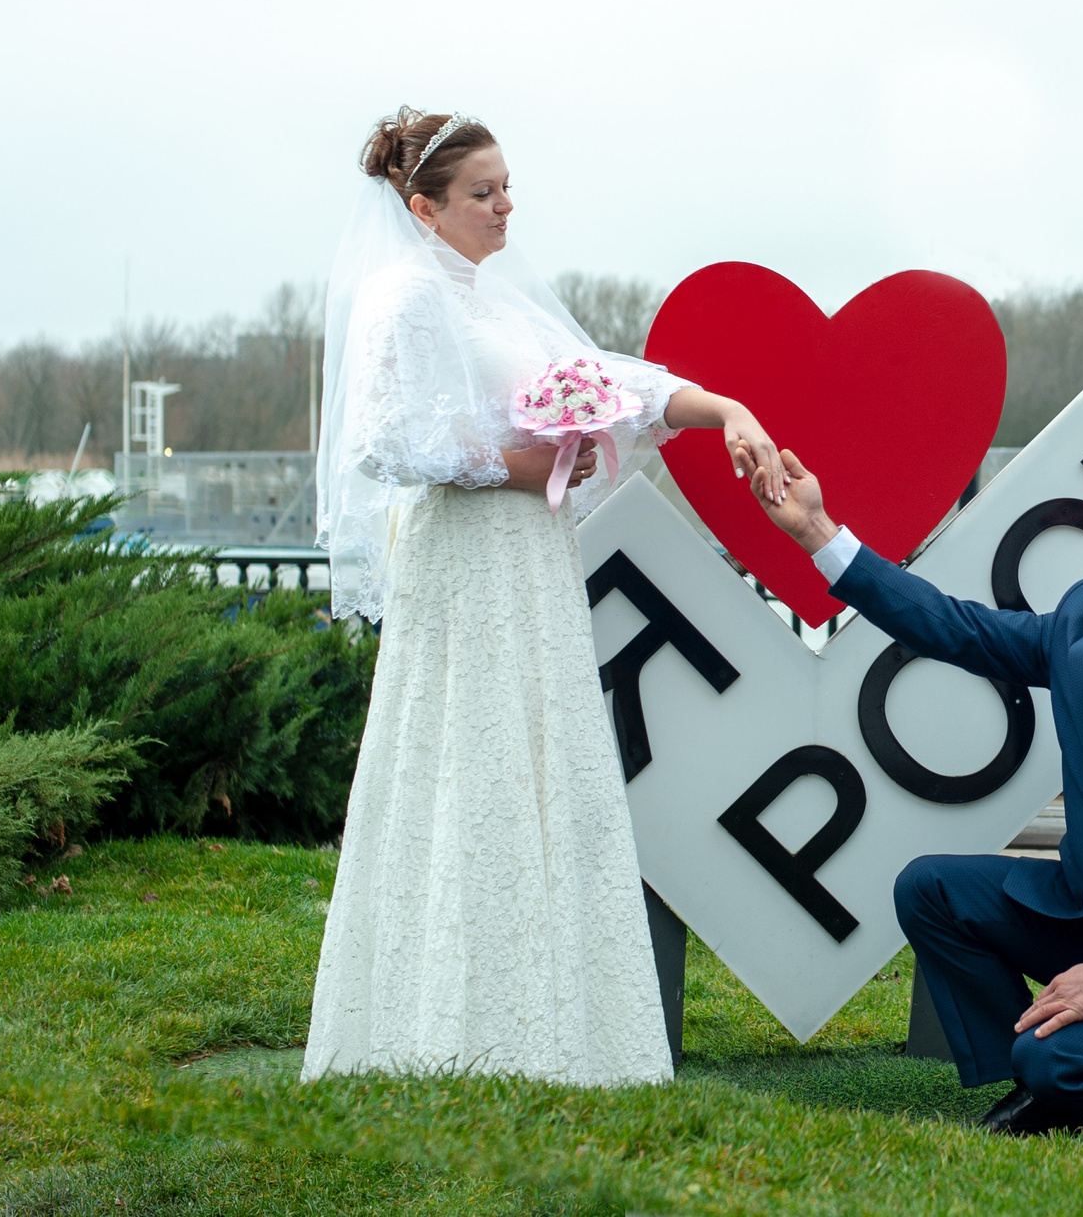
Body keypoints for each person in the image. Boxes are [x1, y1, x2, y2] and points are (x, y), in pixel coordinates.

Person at [304, 108, 783, 1086]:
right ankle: (440, 1024)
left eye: (507, 187)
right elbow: (386, 440)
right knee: (466, 759)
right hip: (466, 555)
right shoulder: (405, 297)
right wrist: (519, 466)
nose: (504, 207)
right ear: (424, 208)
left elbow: (608, 383)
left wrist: (724, 408)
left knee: (540, 754)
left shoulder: (500, 304)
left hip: (532, 554)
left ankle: (561, 1024)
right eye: (482, 193)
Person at [759, 452, 1083, 1150]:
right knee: (931, 889)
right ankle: (1046, 1095)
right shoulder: (1081, 628)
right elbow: (954, 626)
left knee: (1058, 1060)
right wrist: (818, 532)